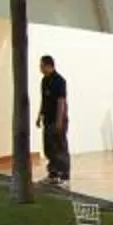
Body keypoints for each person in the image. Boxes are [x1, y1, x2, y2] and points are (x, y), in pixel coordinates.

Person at [37, 54, 70, 188]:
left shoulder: (59, 81)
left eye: (41, 65)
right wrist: (39, 115)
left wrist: (59, 121)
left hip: (58, 119)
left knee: (60, 148)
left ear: (48, 65)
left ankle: (65, 176)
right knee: (49, 148)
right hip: (47, 119)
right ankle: (53, 174)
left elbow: (61, 102)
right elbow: (44, 100)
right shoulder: (44, 80)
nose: (40, 68)